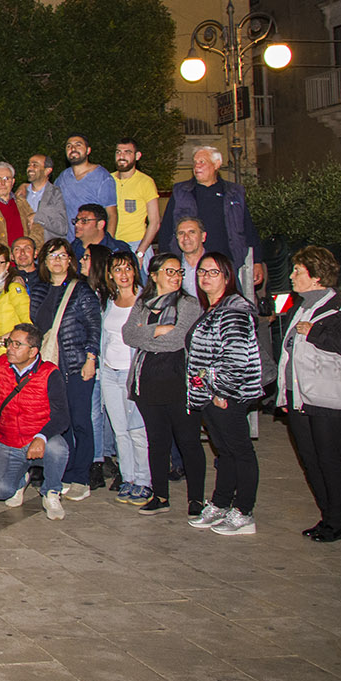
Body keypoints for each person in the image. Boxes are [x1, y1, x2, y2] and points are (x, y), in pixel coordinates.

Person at [278, 246, 341, 542]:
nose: (291, 276)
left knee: (329, 460)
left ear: (316, 277)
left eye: (297, 271)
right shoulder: (299, 307)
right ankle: (327, 517)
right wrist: (285, 396)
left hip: (327, 399)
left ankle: (337, 523)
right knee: (310, 460)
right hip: (300, 396)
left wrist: (314, 332)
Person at [184, 251, 264, 536]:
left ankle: (244, 512)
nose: (205, 277)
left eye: (213, 272)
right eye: (202, 272)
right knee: (226, 452)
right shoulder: (214, 307)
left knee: (240, 451)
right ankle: (220, 504)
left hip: (225, 395)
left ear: (227, 277)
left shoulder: (233, 309)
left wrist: (221, 391)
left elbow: (236, 357)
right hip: (209, 394)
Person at [121, 254, 206, 517]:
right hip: (147, 381)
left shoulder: (189, 304)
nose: (176, 276)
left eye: (178, 271)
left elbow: (178, 340)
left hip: (178, 380)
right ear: (154, 275)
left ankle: (196, 499)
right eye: (169, 271)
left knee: (188, 441)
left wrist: (147, 334)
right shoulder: (144, 303)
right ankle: (160, 496)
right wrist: (157, 330)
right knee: (156, 442)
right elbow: (128, 335)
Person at [29, 238, 101, 500]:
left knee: (81, 420)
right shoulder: (38, 290)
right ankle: (65, 472)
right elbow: (37, 327)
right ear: (44, 262)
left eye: (62, 255)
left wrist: (91, 358)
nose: (57, 260)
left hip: (76, 363)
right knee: (61, 422)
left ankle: (81, 476)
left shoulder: (81, 290)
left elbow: (95, 325)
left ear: (70, 259)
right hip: (50, 368)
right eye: (52, 256)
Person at [0, 322, 71, 519]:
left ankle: (51, 491)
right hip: (9, 441)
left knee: (58, 448)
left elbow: (62, 417)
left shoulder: (50, 373)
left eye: (17, 344)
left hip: (38, 440)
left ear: (33, 351)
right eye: (9, 342)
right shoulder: (0, 366)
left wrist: (42, 437)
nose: (10, 348)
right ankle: (20, 480)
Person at [161, 146, 266, 296]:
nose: (197, 166)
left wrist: (257, 261)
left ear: (216, 164)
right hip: (191, 265)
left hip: (225, 264)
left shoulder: (234, 192)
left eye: (202, 161)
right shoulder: (181, 192)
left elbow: (248, 227)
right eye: (195, 162)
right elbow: (166, 229)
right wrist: (167, 261)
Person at [98, 250, 152, 505]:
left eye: (127, 268)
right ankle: (128, 477)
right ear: (110, 274)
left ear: (135, 271)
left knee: (138, 431)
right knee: (120, 431)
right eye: (117, 269)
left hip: (134, 374)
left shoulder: (145, 301)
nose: (123, 274)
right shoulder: (109, 301)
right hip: (110, 371)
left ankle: (144, 481)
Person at [53, 135, 116, 243]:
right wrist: (25, 186)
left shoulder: (102, 177)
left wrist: (107, 245)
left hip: (94, 244)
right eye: (69, 146)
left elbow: (112, 214)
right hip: (70, 245)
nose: (73, 149)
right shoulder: (63, 177)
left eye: (78, 145)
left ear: (88, 150)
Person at [0, 243, 31, 366]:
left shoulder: (13, 288)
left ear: (7, 265)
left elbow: (28, 323)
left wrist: (9, 336)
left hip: (9, 357)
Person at [112, 139, 161, 260]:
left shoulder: (146, 182)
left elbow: (154, 222)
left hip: (136, 245)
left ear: (137, 156)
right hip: (112, 244)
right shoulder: (107, 180)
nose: (121, 156)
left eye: (127, 152)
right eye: (118, 152)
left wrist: (140, 252)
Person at [0, 163, 41, 252]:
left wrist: (32, 250)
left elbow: (36, 229)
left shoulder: (22, 203)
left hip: (22, 261)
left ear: (13, 182)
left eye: (7, 178)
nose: (3, 183)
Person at [16, 152, 70, 244]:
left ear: (47, 171)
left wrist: (38, 217)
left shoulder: (56, 194)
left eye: (35, 165)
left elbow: (62, 228)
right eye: (29, 165)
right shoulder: (20, 194)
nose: (30, 168)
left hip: (47, 249)